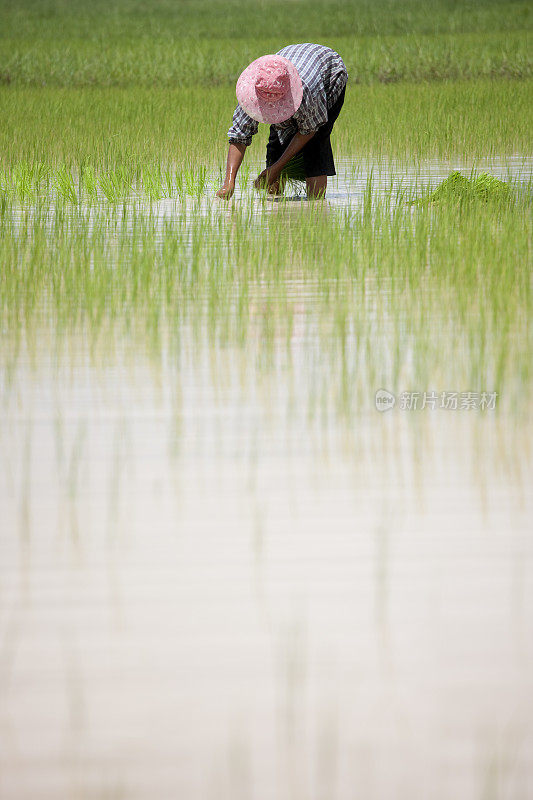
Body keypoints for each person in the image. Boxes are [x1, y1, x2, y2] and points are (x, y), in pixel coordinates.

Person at [217, 43, 348, 200]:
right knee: (276, 142)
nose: (272, 108)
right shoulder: (253, 91)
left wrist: (277, 168)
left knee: (316, 144)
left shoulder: (308, 91)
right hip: (289, 67)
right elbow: (239, 136)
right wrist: (229, 182)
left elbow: (309, 131)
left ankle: (317, 206)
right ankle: (275, 205)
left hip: (330, 73)